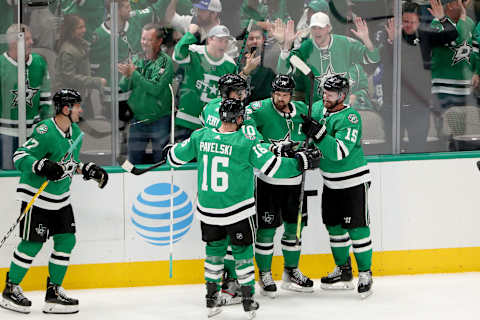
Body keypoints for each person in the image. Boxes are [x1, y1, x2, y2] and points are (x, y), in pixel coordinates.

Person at [164, 97, 320, 317]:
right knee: (243, 254)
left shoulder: (199, 137)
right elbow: (273, 168)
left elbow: (174, 157)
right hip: (237, 210)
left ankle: (211, 301)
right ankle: (248, 301)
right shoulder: (245, 143)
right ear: (238, 118)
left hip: (208, 211)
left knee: (213, 255)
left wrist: (168, 151)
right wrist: (299, 162)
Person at [0, 89, 108, 314]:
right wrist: (41, 165)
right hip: (37, 198)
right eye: (78, 106)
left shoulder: (76, 132)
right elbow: (19, 155)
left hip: (61, 200)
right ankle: (11, 289)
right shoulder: (44, 131)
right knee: (32, 244)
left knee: (66, 242)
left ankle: (54, 292)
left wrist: (87, 169)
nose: (81, 110)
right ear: (66, 109)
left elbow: (69, 161)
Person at [301, 74, 373, 299]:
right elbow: (300, 118)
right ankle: (343, 271)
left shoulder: (350, 117)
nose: (325, 96)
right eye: (324, 92)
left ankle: (365, 273)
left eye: (330, 93)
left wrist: (319, 134)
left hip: (353, 182)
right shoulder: (320, 110)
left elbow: (339, 152)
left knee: (357, 229)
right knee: (334, 228)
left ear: (342, 95)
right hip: (330, 183)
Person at [244, 74, 315, 298]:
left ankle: (291, 271)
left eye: (284, 94)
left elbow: (312, 137)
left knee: (294, 230)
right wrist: (274, 149)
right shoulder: (258, 109)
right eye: (277, 93)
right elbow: (249, 134)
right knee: (266, 230)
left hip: (295, 182)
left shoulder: (303, 109)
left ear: (291, 95)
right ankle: (265, 274)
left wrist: (312, 151)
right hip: (268, 182)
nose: (280, 98)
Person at [276, 12, 379, 104]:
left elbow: (373, 58)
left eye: (320, 28)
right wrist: (286, 47)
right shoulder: (304, 49)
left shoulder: (345, 44)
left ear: (329, 28)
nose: (317, 31)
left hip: (342, 109)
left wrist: (366, 40)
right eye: (314, 28)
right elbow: (283, 71)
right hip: (315, 111)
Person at [378, 3, 432, 153]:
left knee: (418, 147)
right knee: (391, 148)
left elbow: (451, 36)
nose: (407, 25)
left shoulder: (426, 38)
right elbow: (383, 62)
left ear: (419, 22)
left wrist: (441, 19)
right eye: (405, 21)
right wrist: (391, 41)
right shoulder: (389, 34)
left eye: (412, 22)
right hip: (393, 105)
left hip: (419, 106)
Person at [119, 23, 173, 164]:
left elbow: (155, 89)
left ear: (159, 41)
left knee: (159, 161)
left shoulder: (165, 62)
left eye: (149, 40)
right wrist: (126, 75)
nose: (145, 43)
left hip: (160, 119)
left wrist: (134, 74)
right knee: (134, 161)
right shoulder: (136, 59)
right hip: (138, 119)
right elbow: (124, 87)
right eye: (143, 39)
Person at [0, 24, 52, 170]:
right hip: (6, 135)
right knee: (8, 174)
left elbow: (46, 100)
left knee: (32, 173)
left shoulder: (39, 62)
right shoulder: (1, 65)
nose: (31, 42)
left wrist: (46, 130)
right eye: (27, 39)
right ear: (12, 43)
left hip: (34, 134)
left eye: (30, 38)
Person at [172, 24, 237, 141]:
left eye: (226, 41)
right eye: (220, 40)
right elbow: (177, 55)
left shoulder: (230, 64)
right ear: (210, 39)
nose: (224, 44)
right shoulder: (194, 51)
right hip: (187, 119)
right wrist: (190, 34)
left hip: (210, 124)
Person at [425, 0, 475, 150]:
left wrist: (476, 72)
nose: (463, 4)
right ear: (449, 5)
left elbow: (473, 48)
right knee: (446, 133)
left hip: (464, 88)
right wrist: (463, 19)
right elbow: (456, 40)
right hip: (443, 89)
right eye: (458, 1)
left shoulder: (468, 22)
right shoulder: (436, 24)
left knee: (461, 134)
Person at [55, 14, 107, 117]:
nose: (84, 30)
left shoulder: (81, 45)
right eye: (80, 28)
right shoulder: (68, 51)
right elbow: (69, 77)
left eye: (84, 27)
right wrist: (95, 81)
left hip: (82, 96)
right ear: (71, 30)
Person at [237, 24, 276, 104]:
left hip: (264, 108)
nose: (255, 41)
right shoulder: (237, 61)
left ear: (263, 40)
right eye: (251, 39)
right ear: (246, 41)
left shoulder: (271, 61)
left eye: (258, 38)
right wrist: (246, 71)